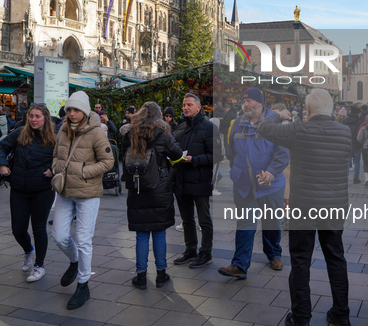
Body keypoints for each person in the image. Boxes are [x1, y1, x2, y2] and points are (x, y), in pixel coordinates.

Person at [257, 88, 352, 326]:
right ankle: (341, 315)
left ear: (307, 110)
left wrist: (277, 114)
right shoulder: (345, 131)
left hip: (304, 208)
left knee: (301, 261)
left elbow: (264, 128)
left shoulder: (299, 129)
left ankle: (301, 317)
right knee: (336, 259)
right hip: (334, 207)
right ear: (331, 108)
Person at [51, 91, 114, 310]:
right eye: (69, 109)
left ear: (85, 111)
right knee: (58, 235)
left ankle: (83, 283)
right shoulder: (62, 130)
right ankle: (74, 261)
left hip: (87, 193)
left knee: (84, 239)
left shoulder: (96, 133)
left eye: (76, 109)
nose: (72, 113)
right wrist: (55, 168)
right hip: (64, 191)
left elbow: (108, 162)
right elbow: (57, 155)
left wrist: (84, 172)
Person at [219, 88, 289, 279]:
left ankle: (274, 254)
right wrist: (236, 171)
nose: (246, 104)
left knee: (271, 221)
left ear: (260, 103)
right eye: (244, 101)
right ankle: (239, 265)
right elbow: (231, 151)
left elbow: (283, 154)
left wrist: (271, 172)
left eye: (250, 101)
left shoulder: (275, 124)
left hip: (271, 185)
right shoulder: (237, 123)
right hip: (243, 184)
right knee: (245, 222)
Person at [120, 102, 183, 289]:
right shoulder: (163, 134)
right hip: (159, 189)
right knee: (159, 232)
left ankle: (140, 276)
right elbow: (177, 154)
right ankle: (161, 274)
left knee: (141, 234)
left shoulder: (129, 134)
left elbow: (123, 156)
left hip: (137, 188)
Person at [0, 104, 56, 283]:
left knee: (39, 228)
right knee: (18, 229)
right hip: (19, 188)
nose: (34, 120)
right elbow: (0, 148)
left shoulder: (55, 138)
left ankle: (39, 265)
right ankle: (29, 250)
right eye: (31, 116)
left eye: (37, 116)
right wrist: (2, 165)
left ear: (46, 118)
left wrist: (53, 168)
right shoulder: (20, 132)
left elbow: (64, 158)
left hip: (42, 189)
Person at [172, 93, 221, 268]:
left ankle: (206, 252)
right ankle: (190, 250)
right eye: (184, 105)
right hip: (181, 178)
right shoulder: (181, 126)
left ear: (198, 107)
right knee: (187, 219)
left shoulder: (209, 127)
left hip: (199, 179)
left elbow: (217, 155)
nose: (186, 107)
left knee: (204, 219)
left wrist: (195, 160)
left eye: (189, 105)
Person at [343, 106, 363, 184]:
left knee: (347, 161)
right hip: (357, 144)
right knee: (357, 161)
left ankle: (345, 177)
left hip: (347, 143)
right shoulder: (359, 123)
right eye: (359, 113)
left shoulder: (345, 121)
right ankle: (356, 178)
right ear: (357, 114)